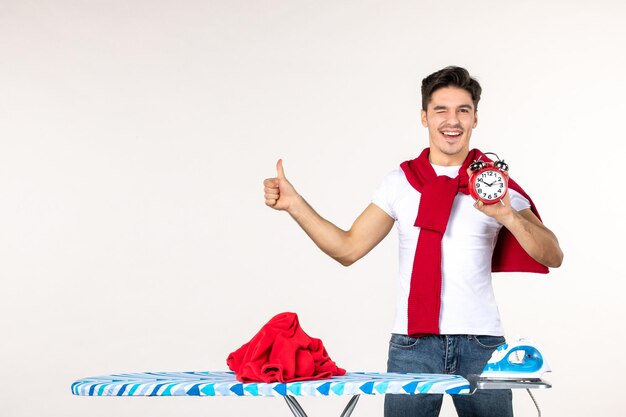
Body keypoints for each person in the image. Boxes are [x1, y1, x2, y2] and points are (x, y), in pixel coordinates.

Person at [262, 66, 563, 417]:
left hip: (482, 344)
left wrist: (507, 215)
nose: (452, 120)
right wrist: (295, 205)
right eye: (441, 110)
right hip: (412, 345)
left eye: (463, 110)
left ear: (475, 118)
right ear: (424, 117)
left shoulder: (492, 182)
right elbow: (347, 249)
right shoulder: (400, 183)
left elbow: (552, 254)